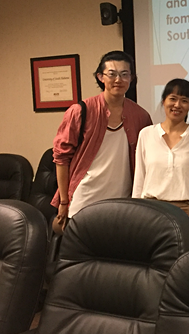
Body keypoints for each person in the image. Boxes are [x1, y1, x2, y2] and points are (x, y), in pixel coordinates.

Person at [52, 51, 152, 231]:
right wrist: (64, 201)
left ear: (131, 78)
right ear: (100, 77)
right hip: (84, 199)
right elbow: (61, 158)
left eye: (124, 74)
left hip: (122, 202)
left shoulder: (141, 116)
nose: (118, 80)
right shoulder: (80, 111)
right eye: (112, 74)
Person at [132, 78, 189, 245]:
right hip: (153, 210)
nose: (177, 105)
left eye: (184, 101)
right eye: (173, 99)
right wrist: (136, 211)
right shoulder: (146, 134)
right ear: (163, 101)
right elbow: (139, 178)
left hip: (188, 212)